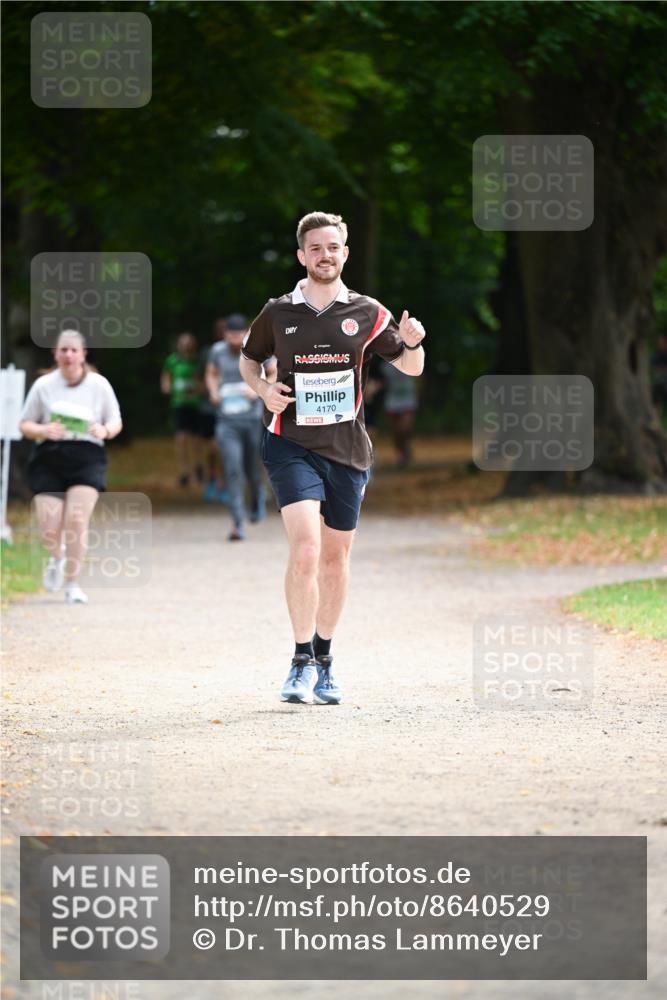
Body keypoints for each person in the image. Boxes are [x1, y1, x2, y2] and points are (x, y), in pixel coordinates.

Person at [239, 211, 425, 704]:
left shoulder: (366, 311)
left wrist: (413, 344)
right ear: (302, 256)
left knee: (336, 558)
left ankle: (324, 659)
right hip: (290, 443)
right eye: (316, 248)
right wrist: (263, 391)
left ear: (345, 253)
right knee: (305, 549)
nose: (326, 255)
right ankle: (299, 661)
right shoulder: (279, 311)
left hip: (347, 451)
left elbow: (409, 365)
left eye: (334, 247)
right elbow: (248, 359)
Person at [18, 329, 122, 604]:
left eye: (74, 350)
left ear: (83, 354)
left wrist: (104, 430)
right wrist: (43, 429)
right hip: (49, 457)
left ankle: (73, 583)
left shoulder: (99, 385)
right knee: (50, 528)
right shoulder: (44, 385)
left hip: (87, 456)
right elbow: (25, 424)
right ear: (55, 353)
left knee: (77, 520)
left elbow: (116, 421)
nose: (68, 355)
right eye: (63, 350)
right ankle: (57, 557)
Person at [206, 314, 276, 540]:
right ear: (225, 334)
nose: (234, 339)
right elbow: (211, 373)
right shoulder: (217, 351)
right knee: (232, 469)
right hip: (227, 421)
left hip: (252, 420)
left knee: (252, 469)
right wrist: (214, 391)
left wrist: (260, 388)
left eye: (238, 335)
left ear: (246, 334)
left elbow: (274, 372)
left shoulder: (259, 349)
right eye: (230, 335)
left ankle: (257, 499)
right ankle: (237, 522)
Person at [160, 332, 203, 487]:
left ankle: (198, 465)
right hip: (179, 404)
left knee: (197, 439)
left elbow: (203, 382)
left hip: (195, 404)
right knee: (181, 438)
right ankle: (184, 471)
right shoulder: (173, 360)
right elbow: (166, 377)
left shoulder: (197, 361)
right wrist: (167, 387)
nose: (186, 346)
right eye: (183, 343)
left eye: (188, 343)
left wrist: (197, 390)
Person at [199, 317, 229, 503]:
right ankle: (212, 477)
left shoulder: (242, 351)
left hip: (232, 408)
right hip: (210, 406)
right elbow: (200, 376)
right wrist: (210, 390)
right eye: (219, 329)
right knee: (212, 447)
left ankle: (224, 483)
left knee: (226, 447)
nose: (222, 332)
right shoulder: (207, 352)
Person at [381, 357, 420, 467]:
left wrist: (418, 393)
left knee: (403, 428)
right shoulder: (385, 366)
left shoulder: (411, 360)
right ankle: (401, 454)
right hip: (392, 401)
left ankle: (406, 447)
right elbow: (382, 382)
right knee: (396, 431)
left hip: (408, 399)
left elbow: (420, 376)